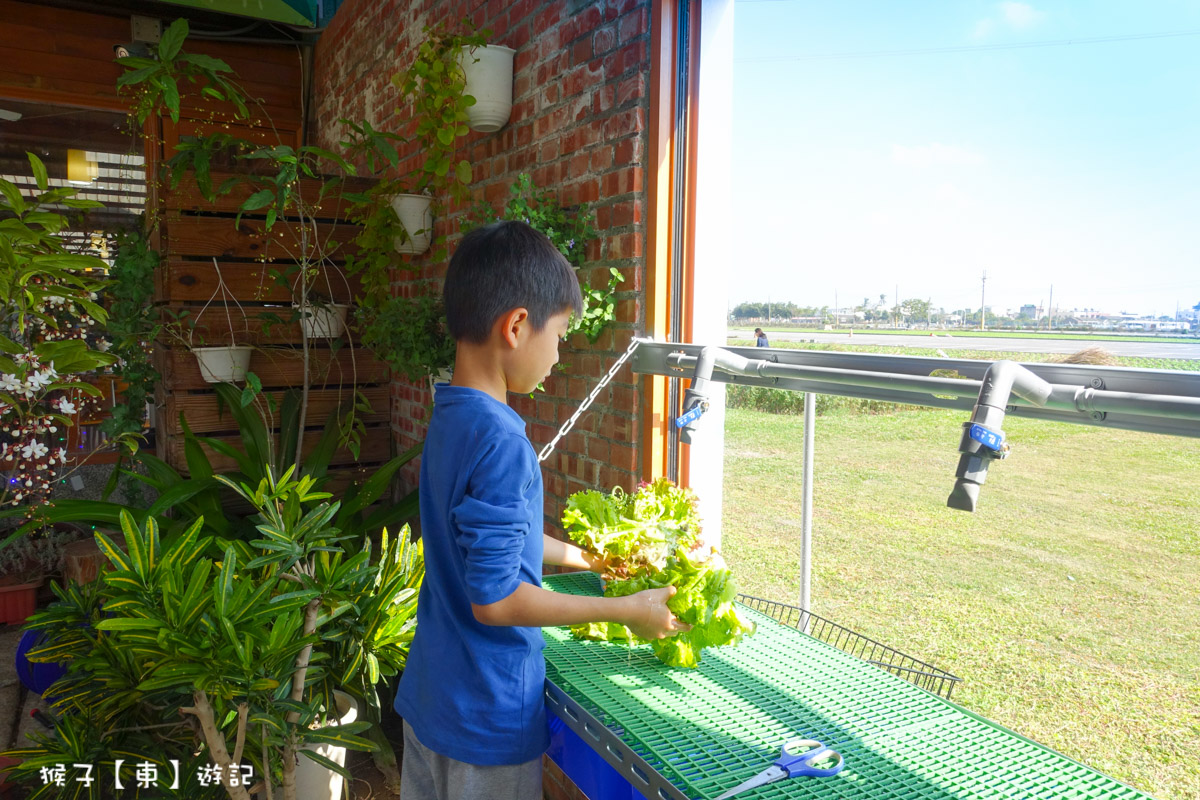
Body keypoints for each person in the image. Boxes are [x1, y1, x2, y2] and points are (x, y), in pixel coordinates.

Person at [394, 220, 689, 800]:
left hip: (431, 698)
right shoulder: (503, 442)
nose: (559, 354)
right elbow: (497, 599)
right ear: (517, 326)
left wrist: (590, 560)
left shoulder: (452, 414)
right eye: (559, 335)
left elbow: (489, 537)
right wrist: (625, 611)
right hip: (486, 718)